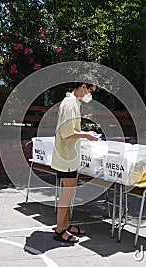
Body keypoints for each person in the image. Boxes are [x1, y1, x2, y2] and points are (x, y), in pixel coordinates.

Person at [51, 81, 100, 243]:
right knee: (68, 193)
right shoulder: (70, 104)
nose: (90, 95)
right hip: (66, 157)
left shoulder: (72, 102)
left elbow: (69, 130)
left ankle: (66, 224)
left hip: (67, 155)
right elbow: (66, 132)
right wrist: (86, 135)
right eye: (91, 91)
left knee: (69, 192)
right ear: (84, 87)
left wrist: (85, 133)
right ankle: (59, 230)